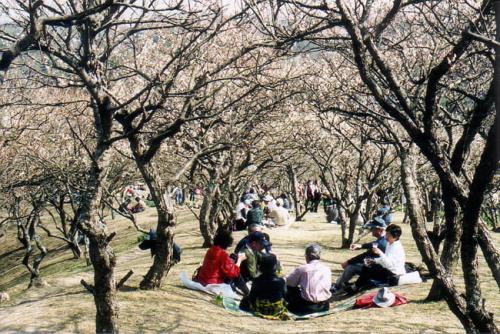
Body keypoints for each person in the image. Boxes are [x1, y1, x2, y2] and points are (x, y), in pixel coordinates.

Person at [331, 217, 387, 293]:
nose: (371, 230)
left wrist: (348, 262)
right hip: (379, 268)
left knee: (351, 267)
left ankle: (337, 287)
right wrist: (361, 246)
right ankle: (342, 284)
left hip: (379, 272)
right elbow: (371, 246)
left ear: (379, 230)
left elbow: (365, 255)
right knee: (360, 264)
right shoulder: (384, 239)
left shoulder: (381, 243)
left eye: (373, 228)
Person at [346, 224, 406, 293]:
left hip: (394, 274)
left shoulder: (396, 247)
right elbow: (385, 259)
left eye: (388, 235)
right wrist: (374, 261)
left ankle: (355, 287)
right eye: (386, 234)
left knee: (369, 269)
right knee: (368, 264)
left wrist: (380, 253)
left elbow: (388, 264)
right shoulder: (390, 244)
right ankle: (356, 285)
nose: (386, 236)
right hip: (389, 269)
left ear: (395, 237)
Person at [284, 244, 332, 315]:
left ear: (306, 256)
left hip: (307, 307)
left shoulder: (303, 268)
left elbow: (289, 282)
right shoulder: (327, 269)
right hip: (324, 306)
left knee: (288, 287)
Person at [239, 254, 289, 319]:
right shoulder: (281, 281)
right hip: (276, 310)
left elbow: (252, 297)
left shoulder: (257, 280)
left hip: (261, 309)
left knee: (245, 300)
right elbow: (285, 295)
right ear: (274, 267)